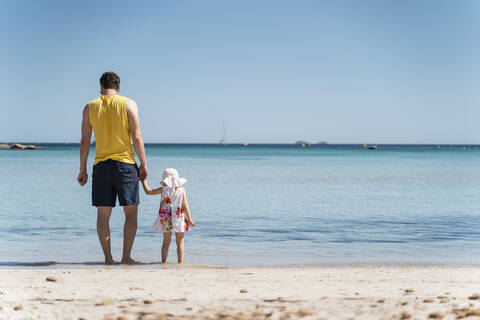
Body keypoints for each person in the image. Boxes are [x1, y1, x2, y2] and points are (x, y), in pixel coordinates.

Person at [77, 71, 148, 265]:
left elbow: (85, 140)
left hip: (101, 166)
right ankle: (126, 257)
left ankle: (108, 259)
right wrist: (143, 163)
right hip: (125, 164)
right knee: (131, 213)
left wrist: (82, 169)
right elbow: (136, 137)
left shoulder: (89, 107)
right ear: (118, 87)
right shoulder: (128, 103)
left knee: (103, 215)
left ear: (101, 86)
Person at [141, 168, 195, 264]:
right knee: (180, 242)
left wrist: (143, 181)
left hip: (166, 218)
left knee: (166, 242)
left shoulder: (163, 190)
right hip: (179, 216)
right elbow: (185, 205)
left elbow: (148, 192)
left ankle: (163, 262)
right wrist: (190, 219)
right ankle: (180, 263)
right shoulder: (182, 190)